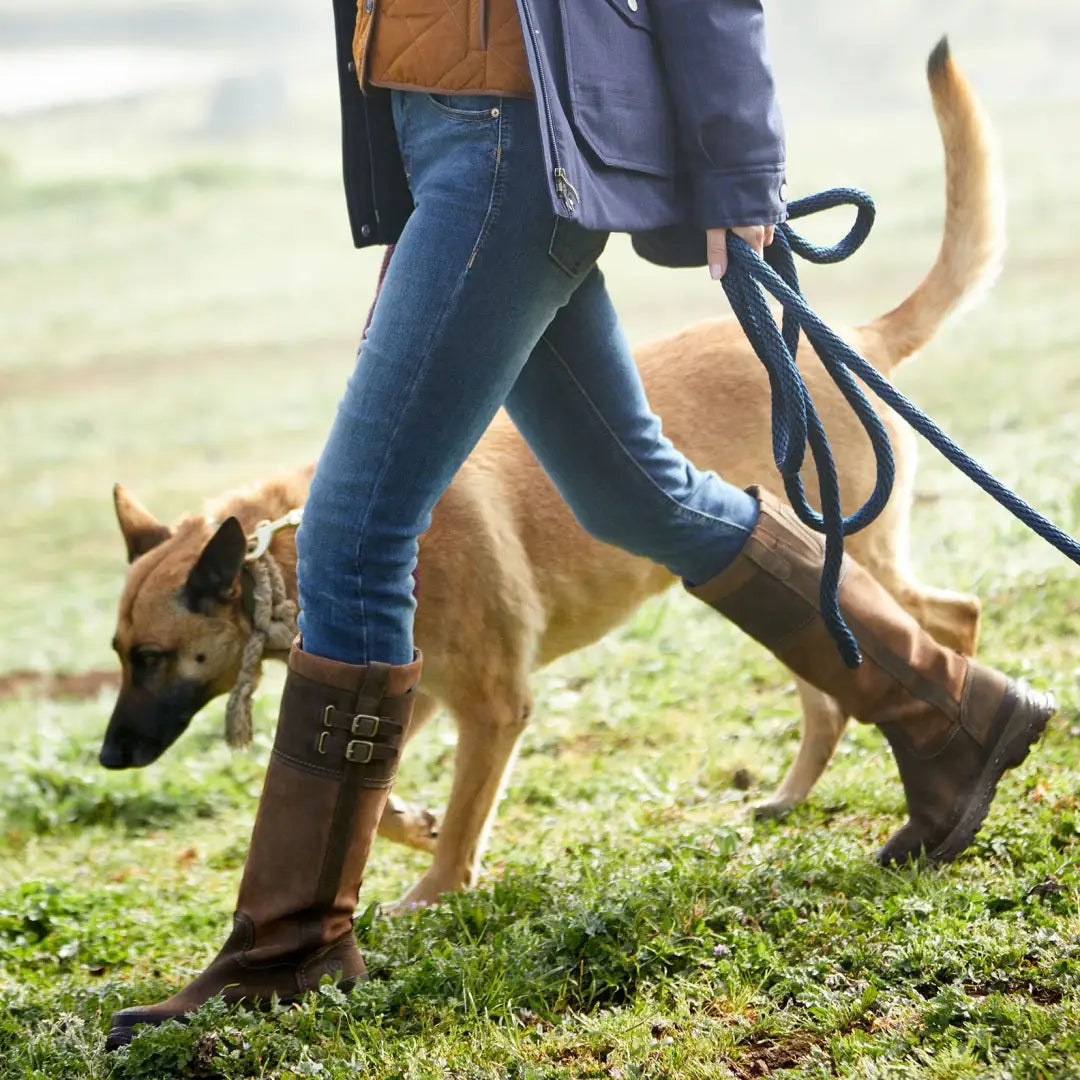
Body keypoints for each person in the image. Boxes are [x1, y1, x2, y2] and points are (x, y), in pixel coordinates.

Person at [106, 0, 1053, 1047]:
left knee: (352, 533)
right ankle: (949, 710)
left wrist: (740, 171)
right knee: (632, 491)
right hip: (440, 124)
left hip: (508, 136)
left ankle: (288, 948)